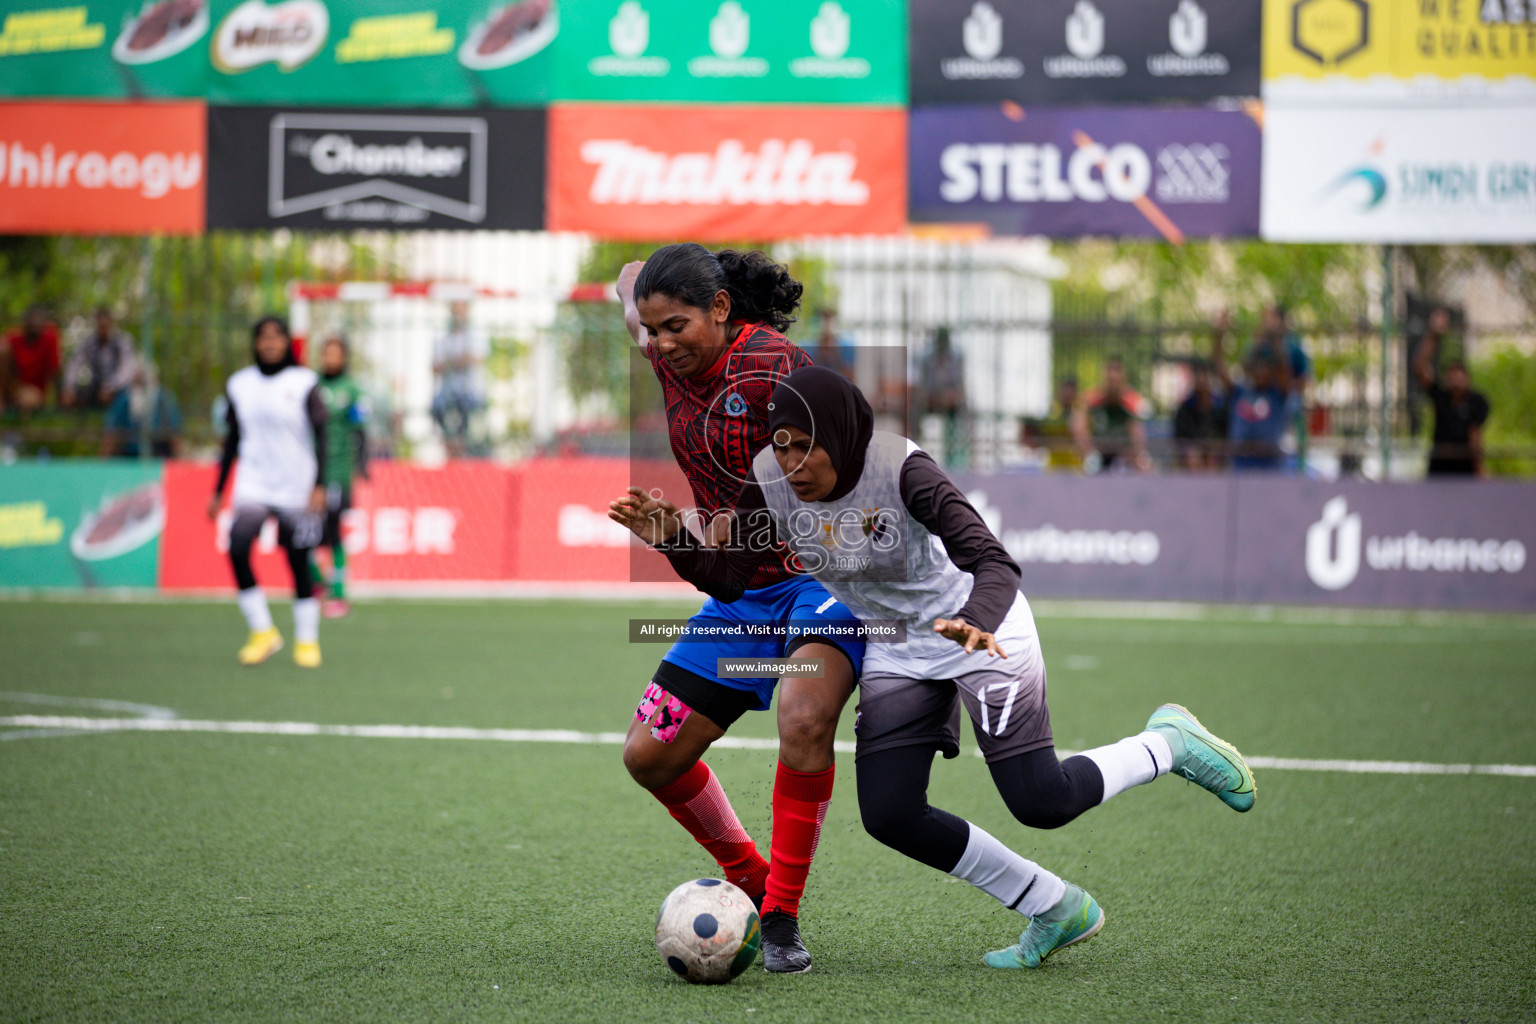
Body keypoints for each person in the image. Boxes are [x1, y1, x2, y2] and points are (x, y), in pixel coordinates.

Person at [611, 366, 1256, 969]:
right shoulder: (771, 478)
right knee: (891, 814)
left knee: (1042, 801)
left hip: (983, 628)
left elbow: (995, 561)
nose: (790, 462)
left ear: (840, 435)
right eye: (780, 445)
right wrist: (672, 538)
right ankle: (1053, 905)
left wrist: (975, 619)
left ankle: (1165, 743)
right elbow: (729, 578)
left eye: (805, 445)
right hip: (898, 644)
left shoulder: (903, 471)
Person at [612, 244, 866, 973]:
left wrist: (678, 541)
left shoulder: (775, 370)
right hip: (742, 583)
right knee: (650, 756)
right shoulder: (669, 353)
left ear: (721, 310)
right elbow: (631, 288)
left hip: (824, 579)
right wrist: (636, 286)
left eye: (676, 326)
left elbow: (754, 543)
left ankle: (781, 915)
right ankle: (752, 881)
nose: (661, 344)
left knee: (803, 716)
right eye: (651, 329)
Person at [206, 317, 328, 669]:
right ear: (255, 343)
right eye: (263, 337)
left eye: (277, 337)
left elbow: (322, 434)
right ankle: (262, 630)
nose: (270, 343)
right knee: (238, 544)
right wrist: (218, 489)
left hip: (297, 485)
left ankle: (307, 639)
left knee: (297, 560)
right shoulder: (240, 384)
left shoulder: (304, 382)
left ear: (287, 342)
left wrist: (319, 483)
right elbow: (231, 440)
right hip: (254, 483)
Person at [311, 335, 370, 617]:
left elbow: (360, 431)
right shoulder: (311, 386)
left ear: (344, 357)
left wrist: (362, 465)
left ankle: (338, 592)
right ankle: (315, 583)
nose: (330, 359)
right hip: (309, 471)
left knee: (332, 530)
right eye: (327, 353)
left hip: (337, 470)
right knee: (305, 530)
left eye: (336, 354)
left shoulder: (353, 390)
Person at [1414, 307, 1489, 477]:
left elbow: (1475, 436)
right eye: (1451, 375)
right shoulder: (1441, 397)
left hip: (1465, 475)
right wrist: (1434, 335)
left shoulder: (1477, 402)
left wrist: (1479, 470)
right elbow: (1420, 368)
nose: (1455, 380)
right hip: (1438, 473)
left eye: (1459, 375)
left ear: (1468, 379)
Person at [1071, 358, 1149, 472]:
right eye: (1110, 380)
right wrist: (1090, 452)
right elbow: (1079, 429)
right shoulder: (1091, 399)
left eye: (1116, 381)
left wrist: (1134, 454)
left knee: (1144, 465)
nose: (1113, 385)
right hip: (1096, 453)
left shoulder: (1131, 401)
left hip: (1123, 454)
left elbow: (1137, 435)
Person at [431, 301, 487, 458]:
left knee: (467, 409)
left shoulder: (476, 334)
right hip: (448, 391)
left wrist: (453, 362)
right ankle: (450, 447)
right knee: (438, 408)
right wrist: (455, 362)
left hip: (469, 391)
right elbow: (436, 366)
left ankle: (463, 449)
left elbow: (476, 359)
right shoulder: (442, 337)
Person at [101, 362, 181, 458]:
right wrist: (103, 462)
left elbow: (174, 433)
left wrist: (179, 462)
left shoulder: (164, 398)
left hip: (158, 453)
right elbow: (112, 432)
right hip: (130, 455)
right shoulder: (124, 399)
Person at [63, 307, 137, 410]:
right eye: (100, 326)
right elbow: (75, 363)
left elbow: (126, 370)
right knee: (77, 396)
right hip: (97, 388)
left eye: (105, 326)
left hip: (118, 389)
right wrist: (69, 387)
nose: (103, 329)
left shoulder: (122, 342)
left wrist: (110, 387)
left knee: (126, 396)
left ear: (111, 324)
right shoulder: (89, 343)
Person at [918, 327, 966, 468]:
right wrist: (933, 397)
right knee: (914, 407)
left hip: (951, 400)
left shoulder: (957, 358)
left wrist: (952, 396)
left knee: (963, 410)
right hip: (931, 399)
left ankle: (956, 454)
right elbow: (923, 384)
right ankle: (917, 443)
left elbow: (960, 385)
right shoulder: (927, 358)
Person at [4, 306, 61, 413]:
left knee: (27, 400)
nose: (34, 326)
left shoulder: (50, 338)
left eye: (38, 324)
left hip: (35, 391)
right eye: (31, 324)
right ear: (25, 325)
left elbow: (54, 370)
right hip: (13, 387)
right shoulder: (14, 339)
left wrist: (57, 399)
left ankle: (20, 426)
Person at [1020, 376, 1083, 471]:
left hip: (1075, 468)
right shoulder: (1052, 413)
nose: (1067, 395)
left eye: (1071, 392)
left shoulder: (1081, 414)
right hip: (1054, 468)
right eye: (1065, 391)